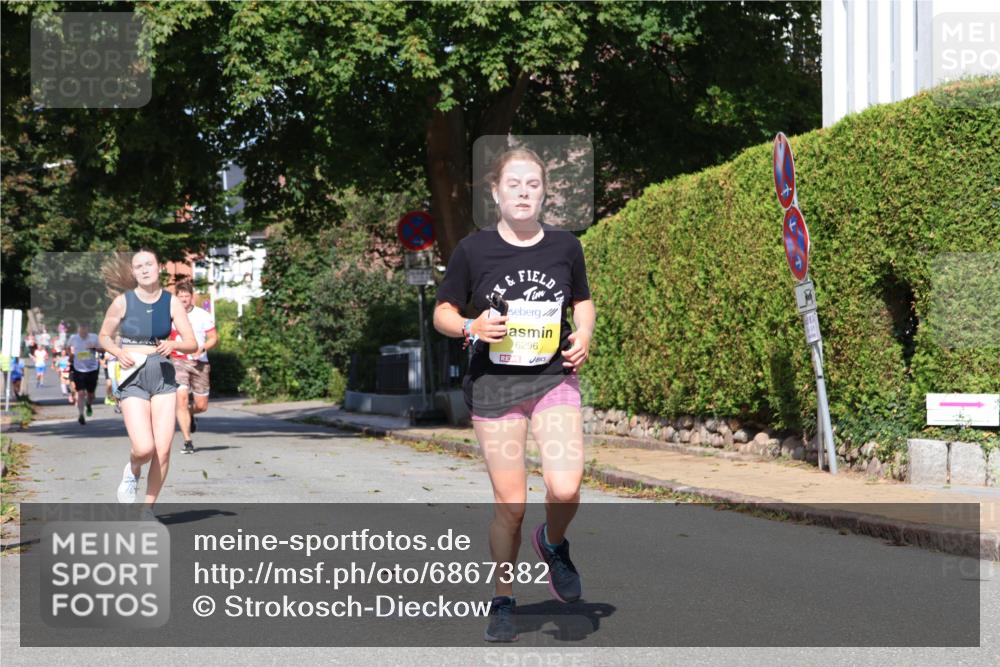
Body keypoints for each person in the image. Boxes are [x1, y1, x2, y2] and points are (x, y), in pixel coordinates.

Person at [433, 147, 595, 642]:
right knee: (511, 504)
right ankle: (503, 598)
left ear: (544, 192)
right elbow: (442, 312)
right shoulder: (473, 250)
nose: (523, 193)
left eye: (533, 184)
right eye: (514, 184)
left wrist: (585, 334)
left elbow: (582, 302)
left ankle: (553, 542)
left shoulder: (566, 246)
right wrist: (471, 325)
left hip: (552, 379)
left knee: (565, 487)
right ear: (496, 192)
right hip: (494, 388)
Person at [97, 250, 197, 511]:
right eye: (139, 266)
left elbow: (191, 343)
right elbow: (104, 336)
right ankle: (132, 469)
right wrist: (118, 352)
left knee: (162, 451)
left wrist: (174, 344)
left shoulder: (171, 302)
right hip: (133, 376)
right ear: (133, 272)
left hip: (163, 375)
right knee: (144, 449)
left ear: (159, 267)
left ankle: (146, 510)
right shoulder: (123, 302)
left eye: (149, 264)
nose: (144, 269)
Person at [168, 281, 217, 454]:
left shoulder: (202, 315)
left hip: (199, 362)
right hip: (178, 360)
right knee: (181, 398)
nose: (183, 299)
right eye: (180, 296)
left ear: (192, 297)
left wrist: (202, 348)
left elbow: (213, 338)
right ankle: (188, 441)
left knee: (202, 406)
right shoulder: (169, 316)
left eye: (186, 296)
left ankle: (190, 413)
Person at [68, 323, 101, 424]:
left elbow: (102, 350)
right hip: (78, 369)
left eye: (84, 330)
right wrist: (70, 355)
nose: (83, 332)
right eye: (81, 330)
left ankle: (89, 404)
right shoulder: (73, 338)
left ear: (88, 330)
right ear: (78, 330)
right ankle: (81, 414)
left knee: (91, 394)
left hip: (92, 369)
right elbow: (67, 348)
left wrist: (94, 347)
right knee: (81, 393)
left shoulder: (94, 337)